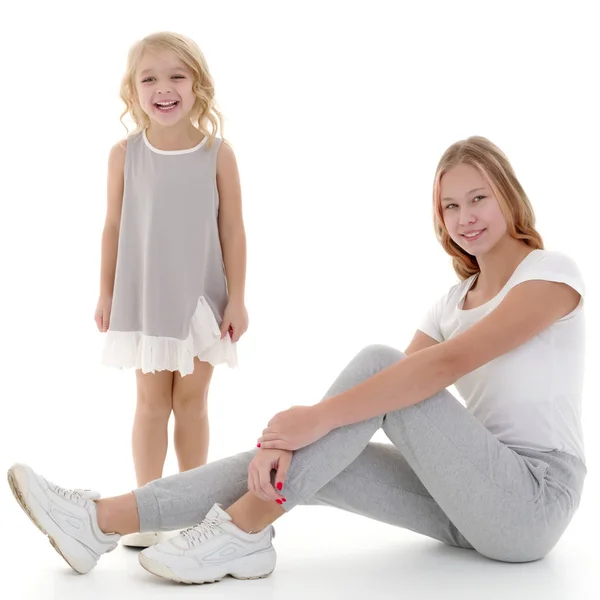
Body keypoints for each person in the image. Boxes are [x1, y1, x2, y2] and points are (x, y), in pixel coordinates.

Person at [8, 136, 586, 585]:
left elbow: (440, 368)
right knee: (310, 459)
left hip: (533, 502)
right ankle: (101, 520)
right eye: (451, 205)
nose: (465, 217)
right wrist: (294, 441)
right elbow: (384, 400)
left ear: (509, 193)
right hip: (466, 509)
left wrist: (314, 418)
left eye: (478, 197)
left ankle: (241, 530)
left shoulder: (551, 273)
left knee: (369, 373)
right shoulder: (451, 303)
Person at [92, 32, 248, 547]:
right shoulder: (125, 154)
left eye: (176, 76)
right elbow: (113, 226)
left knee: (195, 400)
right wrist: (105, 293)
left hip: (201, 300)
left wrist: (239, 298)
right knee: (151, 402)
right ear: (133, 90)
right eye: (150, 78)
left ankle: (189, 505)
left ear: (198, 85)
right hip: (146, 300)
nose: (164, 88)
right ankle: (148, 506)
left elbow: (233, 230)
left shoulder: (218, 154)